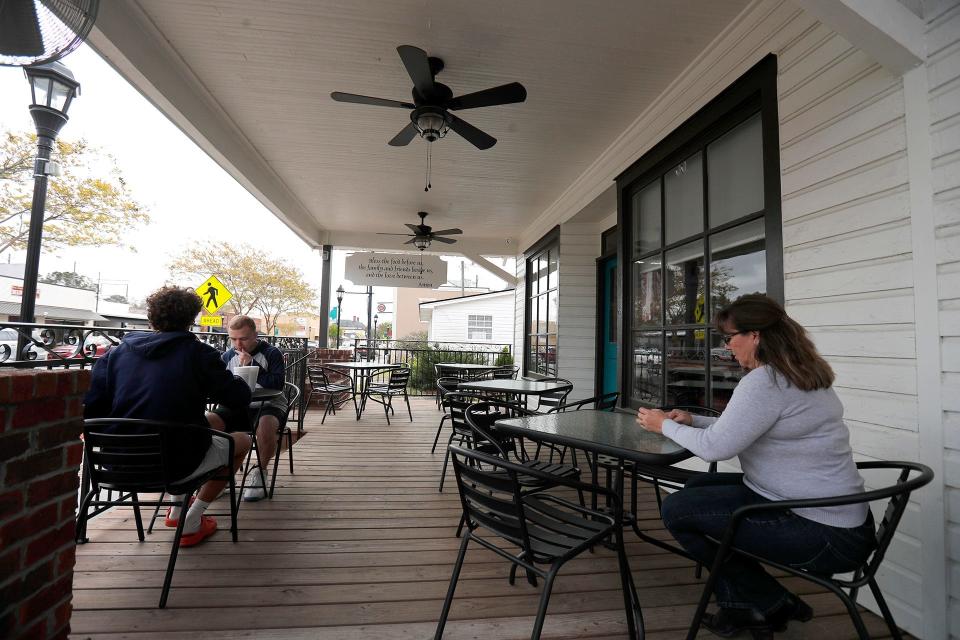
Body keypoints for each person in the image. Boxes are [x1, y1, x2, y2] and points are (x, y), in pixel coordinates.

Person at [636, 294, 876, 638]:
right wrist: (692, 419)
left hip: (822, 531)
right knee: (697, 491)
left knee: (677, 510)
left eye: (730, 337)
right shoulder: (801, 374)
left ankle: (770, 600)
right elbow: (748, 426)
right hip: (839, 517)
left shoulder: (764, 382)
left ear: (756, 336)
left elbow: (717, 448)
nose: (727, 346)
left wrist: (664, 425)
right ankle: (744, 607)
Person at [84, 286, 252, 547]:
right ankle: (191, 519)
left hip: (115, 465)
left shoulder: (116, 354)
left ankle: (176, 510)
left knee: (207, 422)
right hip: (175, 464)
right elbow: (238, 399)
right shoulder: (199, 354)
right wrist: (241, 372)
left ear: (152, 319)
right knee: (241, 440)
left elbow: (91, 410)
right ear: (191, 319)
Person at [206, 315, 287, 502]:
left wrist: (252, 365)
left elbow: (277, 384)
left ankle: (260, 471)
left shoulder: (271, 353)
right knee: (208, 422)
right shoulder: (227, 357)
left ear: (255, 336)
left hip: (270, 403)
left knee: (265, 426)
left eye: (243, 338)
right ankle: (220, 476)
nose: (238, 344)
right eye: (233, 339)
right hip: (239, 405)